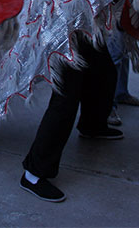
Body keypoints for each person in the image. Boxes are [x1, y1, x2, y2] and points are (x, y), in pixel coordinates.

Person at [20, 32, 121, 203]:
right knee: (65, 98)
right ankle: (33, 173)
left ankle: (92, 125)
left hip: (84, 23)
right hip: (61, 25)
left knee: (104, 72)